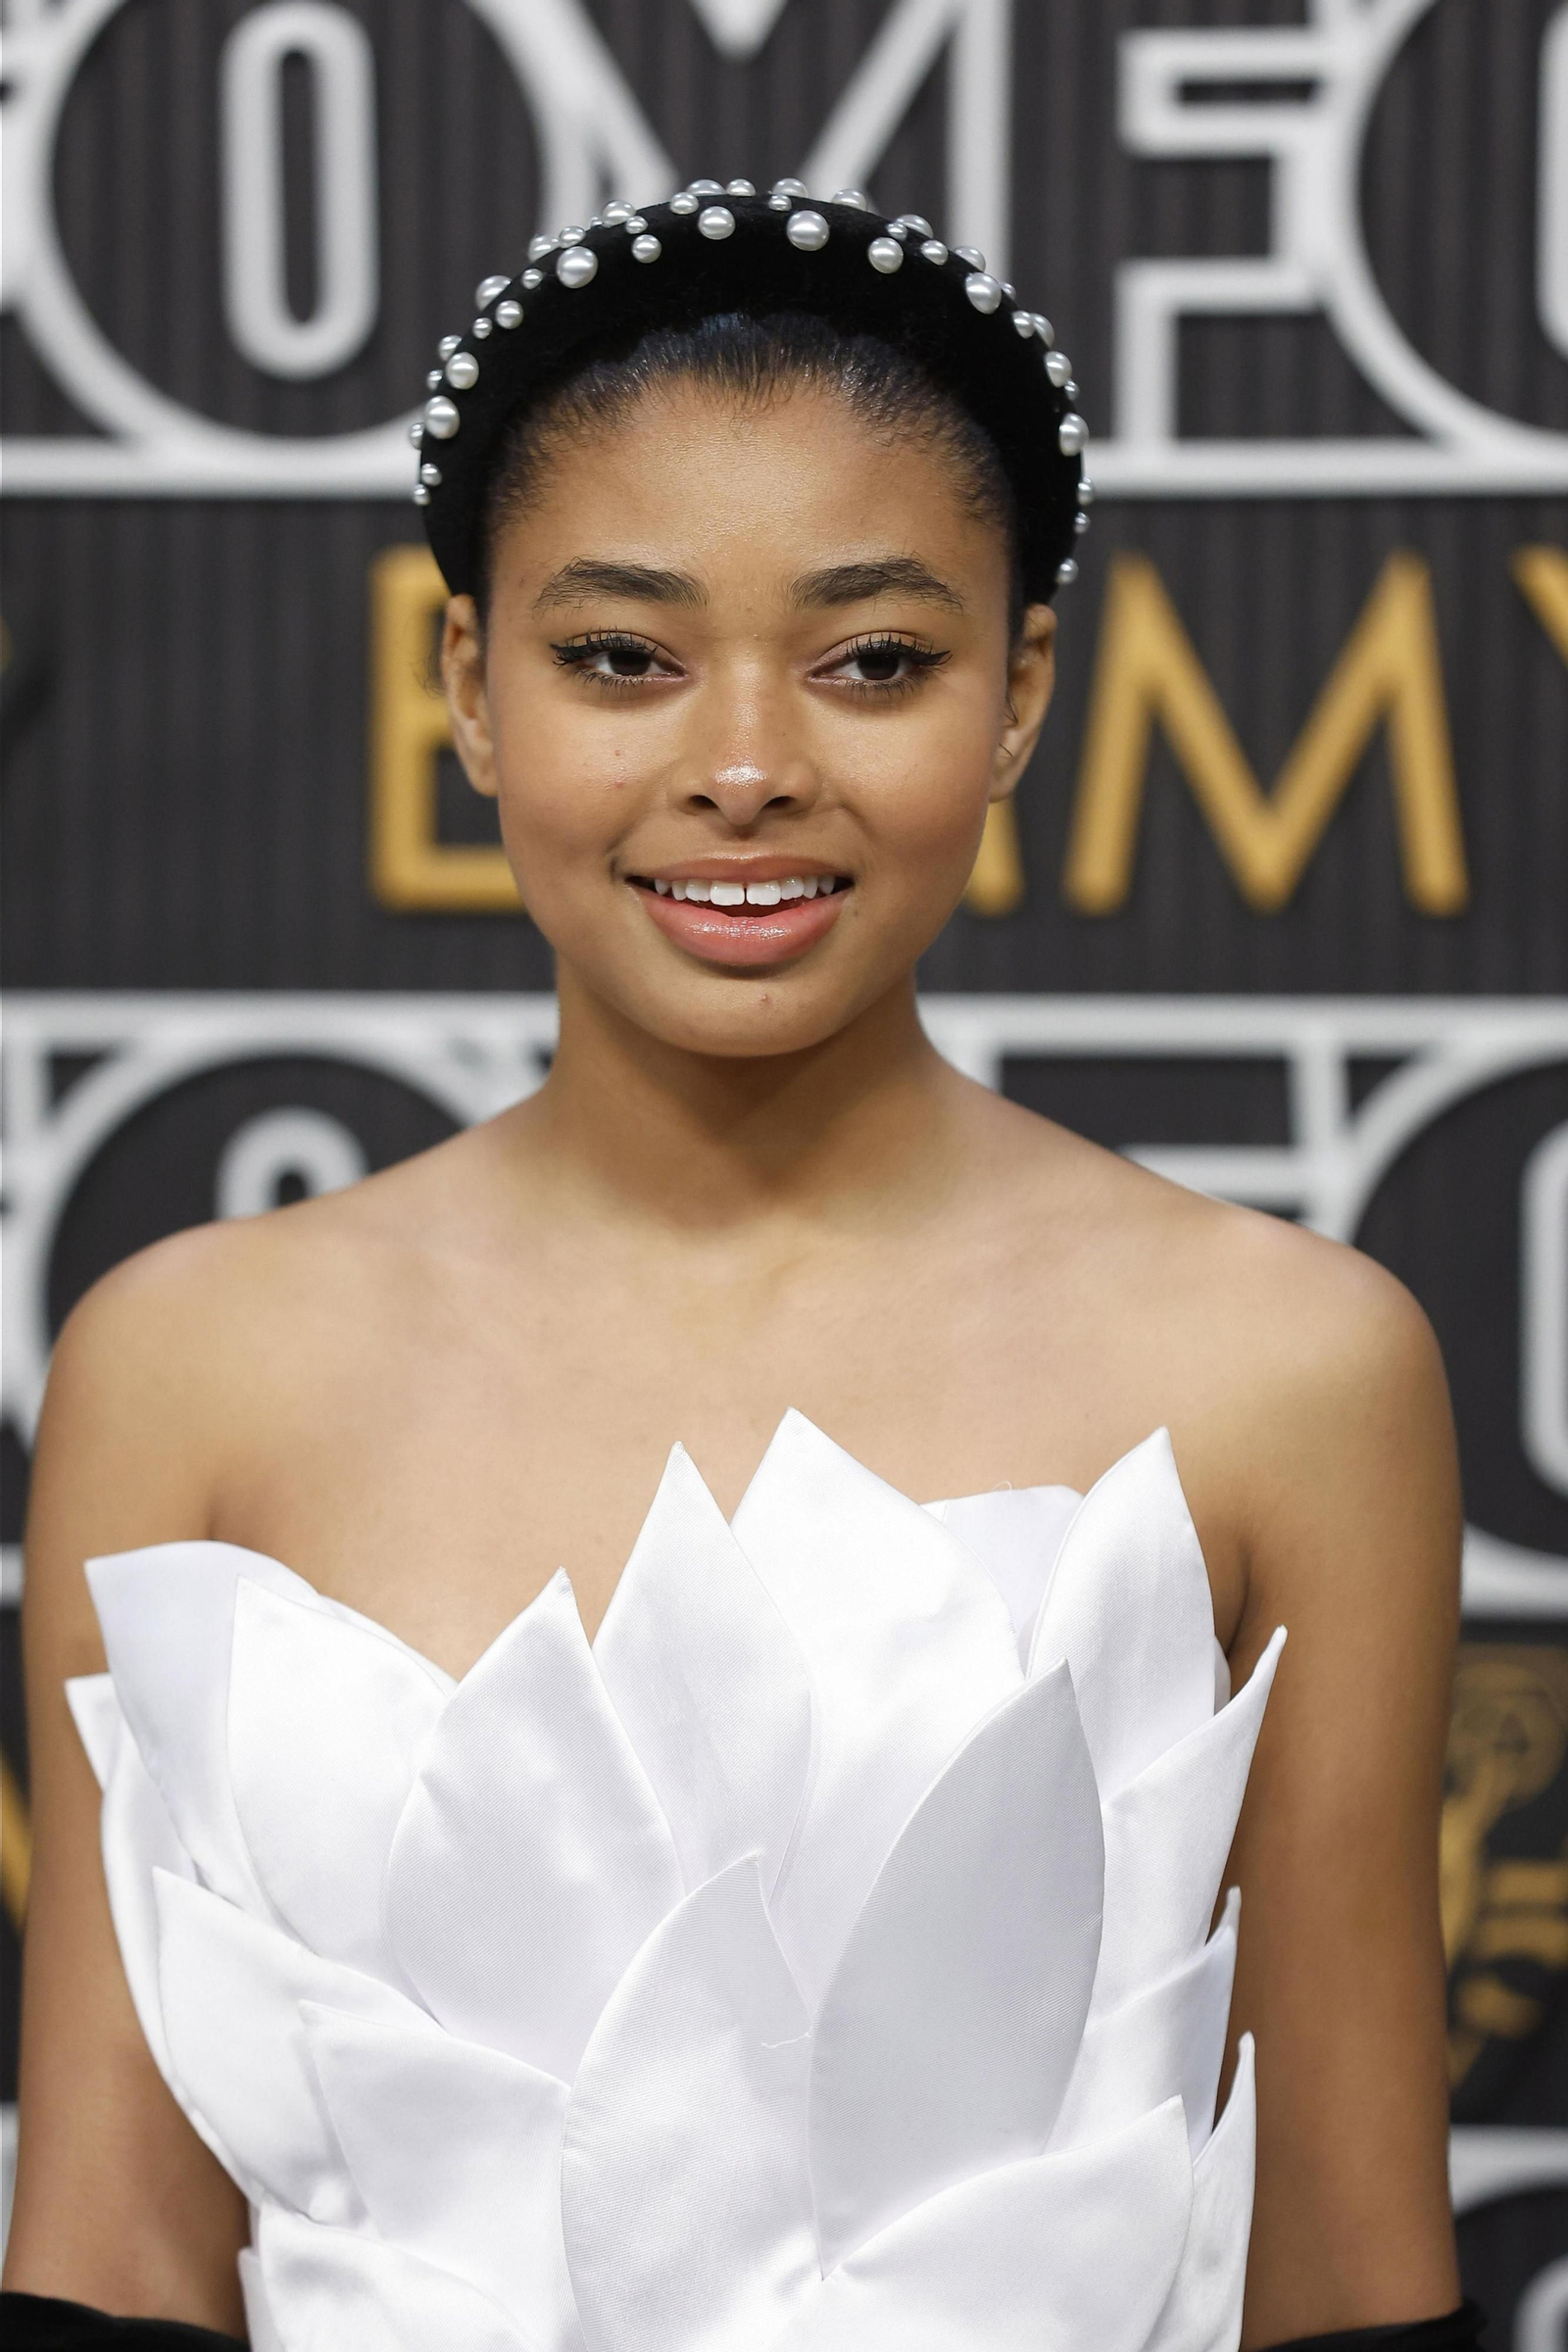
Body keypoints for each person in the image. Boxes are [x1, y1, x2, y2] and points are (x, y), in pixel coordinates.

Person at [3, 183, 1480, 2351]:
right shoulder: (191, 1364)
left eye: (875, 660)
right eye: (622, 656)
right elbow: (111, 2261)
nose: (748, 769)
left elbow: (1346, 2277)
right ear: (470, 687)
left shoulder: (1293, 1367)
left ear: (1019, 693)